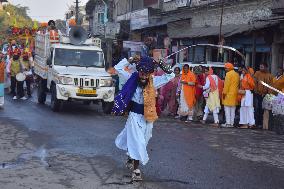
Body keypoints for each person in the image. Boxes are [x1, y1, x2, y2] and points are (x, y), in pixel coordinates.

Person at [113, 57, 174, 181]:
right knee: (138, 142)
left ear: (150, 73)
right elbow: (118, 68)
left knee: (144, 142)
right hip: (134, 116)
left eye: (146, 74)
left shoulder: (154, 81)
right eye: (141, 73)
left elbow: (171, 75)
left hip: (148, 117)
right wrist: (130, 60)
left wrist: (161, 63)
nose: (143, 76)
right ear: (138, 71)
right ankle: (136, 170)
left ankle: (131, 156)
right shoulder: (131, 78)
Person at [253, 63, 273, 129]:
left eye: (262, 67)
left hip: (265, 95)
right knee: (257, 109)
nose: (261, 68)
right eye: (260, 67)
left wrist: (268, 94)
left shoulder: (269, 75)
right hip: (257, 94)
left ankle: (262, 124)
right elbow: (254, 83)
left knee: (263, 110)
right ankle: (257, 123)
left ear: (266, 67)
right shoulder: (257, 73)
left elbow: (270, 86)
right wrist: (256, 91)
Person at [222, 63, 240, 128]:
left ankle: (228, 123)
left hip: (228, 94)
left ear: (229, 68)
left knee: (227, 109)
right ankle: (231, 123)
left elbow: (226, 85)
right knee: (233, 110)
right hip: (235, 94)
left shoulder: (228, 74)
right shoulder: (237, 74)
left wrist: (224, 93)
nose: (225, 69)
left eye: (226, 68)